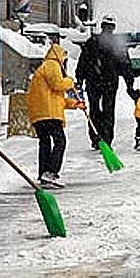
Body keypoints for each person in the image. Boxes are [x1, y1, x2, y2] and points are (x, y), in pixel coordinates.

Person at [27, 44, 86, 188]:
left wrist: (75, 104)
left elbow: (57, 99)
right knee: (60, 141)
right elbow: (57, 84)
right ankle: (51, 172)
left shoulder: (44, 68)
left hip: (40, 114)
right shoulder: (52, 65)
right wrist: (70, 81)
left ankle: (44, 173)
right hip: (49, 115)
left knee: (45, 143)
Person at [76, 14, 134, 149]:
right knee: (108, 110)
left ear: (102, 26)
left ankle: (96, 138)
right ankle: (106, 139)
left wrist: (79, 79)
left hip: (93, 82)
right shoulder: (116, 45)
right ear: (113, 28)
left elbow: (82, 62)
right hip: (109, 82)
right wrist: (129, 83)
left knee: (94, 110)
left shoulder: (92, 42)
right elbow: (125, 65)